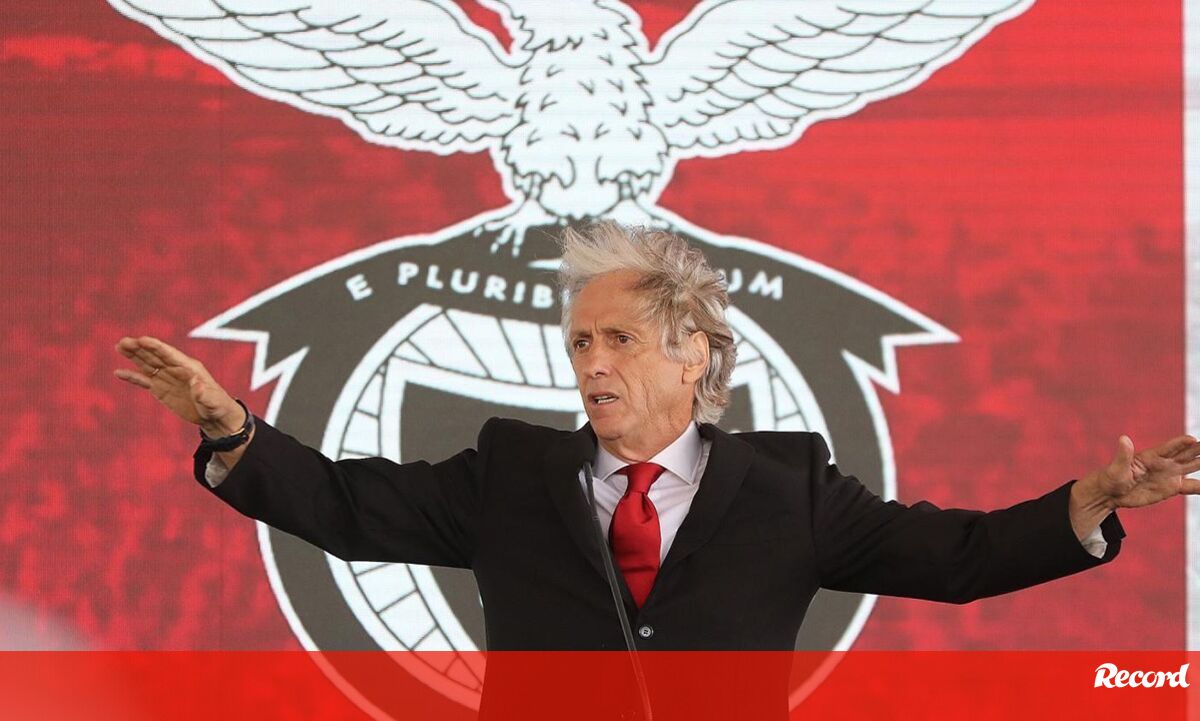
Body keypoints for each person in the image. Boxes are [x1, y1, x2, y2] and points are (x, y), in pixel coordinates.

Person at [115, 222, 1199, 718]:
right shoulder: (510, 473)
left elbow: (959, 556)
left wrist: (1092, 501)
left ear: (695, 356)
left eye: (620, 339)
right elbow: (348, 509)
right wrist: (231, 428)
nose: (591, 361)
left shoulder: (789, 487)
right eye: (581, 341)